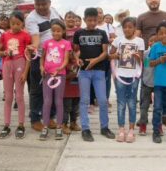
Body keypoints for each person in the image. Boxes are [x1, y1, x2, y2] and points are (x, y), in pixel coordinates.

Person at [136, 0, 166, 135]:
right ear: (146, 1)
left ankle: (162, 120)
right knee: (144, 95)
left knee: (162, 95)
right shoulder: (141, 17)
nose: (153, 0)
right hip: (147, 58)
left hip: (164, 57)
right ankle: (143, 120)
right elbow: (137, 36)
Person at [73, 7, 113, 141]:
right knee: (84, 100)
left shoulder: (102, 33)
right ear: (84, 19)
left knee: (102, 100)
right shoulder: (78, 33)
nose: (92, 23)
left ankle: (104, 127)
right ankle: (85, 129)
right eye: (89, 20)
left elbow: (105, 53)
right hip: (84, 72)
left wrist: (94, 61)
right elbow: (75, 50)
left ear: (98, 19)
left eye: (94, 20)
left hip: (99, 71)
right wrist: (77, 59)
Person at [25, 0, 62, 131]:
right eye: (37, 4)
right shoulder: (31, 18)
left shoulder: (54, 11)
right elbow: (35, 38)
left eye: (43, 3)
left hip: (56, 58)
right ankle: (35, 119)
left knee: (53, 87)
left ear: (49, 3)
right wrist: (34, 46)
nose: (40, 6)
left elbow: (62, 27)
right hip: (39, 57)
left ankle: (50, 116)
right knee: (37, 90)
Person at [0, 11, 32, 139]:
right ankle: (6, 125)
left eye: (18, 23)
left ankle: (21, 125)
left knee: (19, 96)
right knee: (8, 97)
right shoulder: (4, 35)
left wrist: (25, 72)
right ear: (9, 23)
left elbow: (28, 56)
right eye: (12, 23)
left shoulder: (26, 35)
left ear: (22, 23)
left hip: (20, 64)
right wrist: (5, 52)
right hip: (7, 65)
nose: (15, 26)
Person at [110, 17, 145, 142]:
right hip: (120, 76)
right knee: (121, 103)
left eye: (130, 27)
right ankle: (121, 129)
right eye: (125, 27)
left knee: (132, 103)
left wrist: (137, 57)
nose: (127, 29)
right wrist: (116, 55)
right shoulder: (118, 40)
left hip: (134, 76)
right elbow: (110, 55)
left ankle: (131, 130)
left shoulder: (140, 41)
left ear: (135, 28)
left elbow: (141, 59)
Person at [39, 19, 72, 141]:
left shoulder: (66, 43)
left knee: (58, 101)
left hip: (60, 75)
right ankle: (45, 126)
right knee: (47, 101)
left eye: (58, 31)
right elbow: (42, 58)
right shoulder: (47, 43)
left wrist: (60, 68)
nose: (56, 33)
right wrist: (41, 67)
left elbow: (66, 60)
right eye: (53, 31)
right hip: (47, 75)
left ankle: (59, 126)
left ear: (63, 31)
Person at [62, 11, 82, 134]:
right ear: (64, 19)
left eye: (73, 17)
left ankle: (74, 122)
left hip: (77, 67)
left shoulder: (80, 32)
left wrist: (77, 58)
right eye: (68, 17)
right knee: (66, 100)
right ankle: (64, 123)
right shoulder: (61, 32)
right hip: (65, 67)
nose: (71, 19)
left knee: (76, 98)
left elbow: (82, 48)